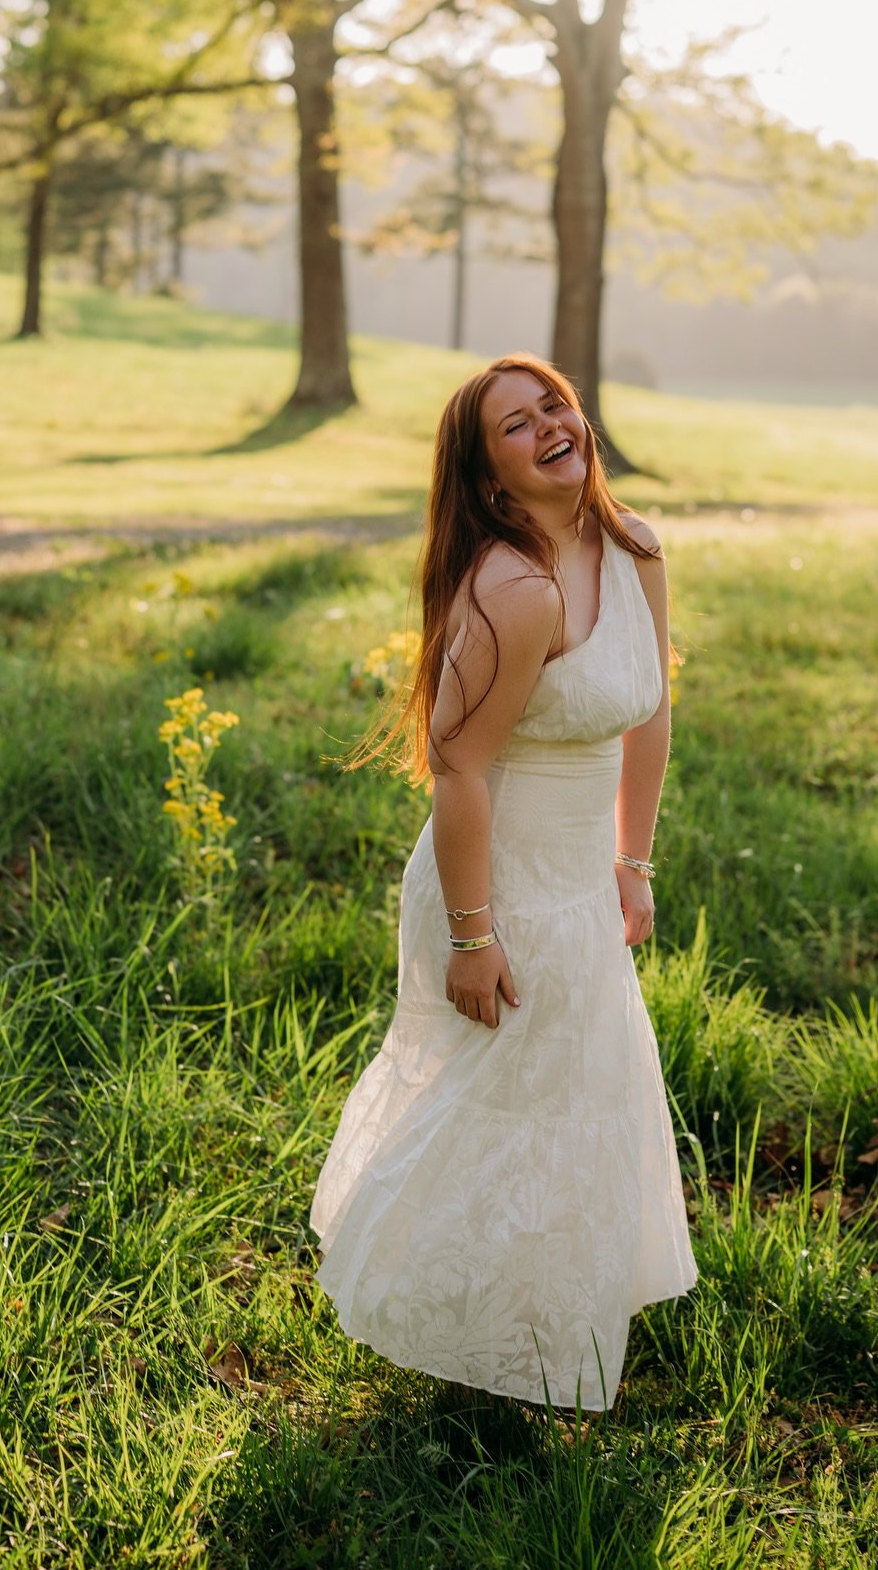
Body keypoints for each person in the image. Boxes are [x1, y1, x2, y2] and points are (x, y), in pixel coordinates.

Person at [310, 353, 698, 1414]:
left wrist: (634, 861)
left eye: (554, 405)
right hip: (498, 881)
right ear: (491, 481)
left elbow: (650, 711)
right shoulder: (511, 589)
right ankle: (465, 1349)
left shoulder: (634, 547)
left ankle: (531, 1332)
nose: (550, 427)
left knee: (572, 1102)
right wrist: (475, 936)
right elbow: (460, 767)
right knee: (497, 1108)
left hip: (582, 874)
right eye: (517, 426)